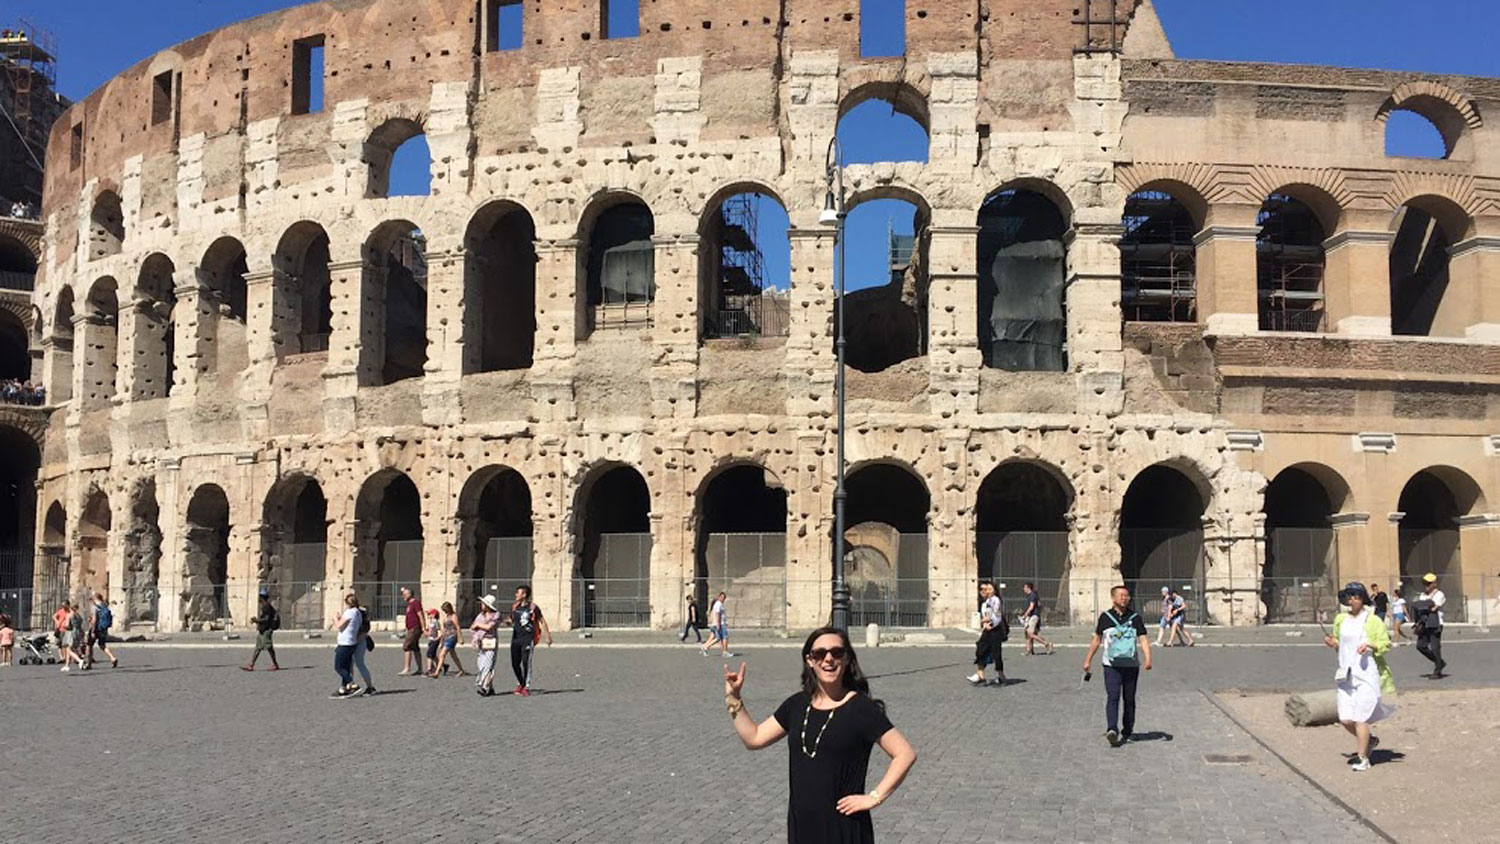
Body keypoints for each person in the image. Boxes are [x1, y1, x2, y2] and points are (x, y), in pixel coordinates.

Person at [723, 626, 917, 843]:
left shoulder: (861, 708)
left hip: (844, 827)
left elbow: (905, 753)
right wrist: (734, 698)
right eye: (820, 654)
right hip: (802, 826)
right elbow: (754, 738)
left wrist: (875, 797)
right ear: (809, 660)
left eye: (836, 653)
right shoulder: (796, 705)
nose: (828, 659)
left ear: (846, 659)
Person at [1324, 582, 1395, 772]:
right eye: (1349, 596)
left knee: (1360, 717)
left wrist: (1370, 645)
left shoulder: (1372, 620)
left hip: (1365, 673)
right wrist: (1332, 642)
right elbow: (1340, 642)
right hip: (1345, 674)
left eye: (1355, 596)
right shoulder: (1341, 619)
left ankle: (1363, 758)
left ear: (1362, 598)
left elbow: (1385, 644)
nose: (1351, 599)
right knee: (1346, 719)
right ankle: (1369, 741)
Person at [1083, 585, 1153, 747]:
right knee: (1112, 696)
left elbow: (1143, 638)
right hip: (1111, 665)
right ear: (1113, 598)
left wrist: (1148, 658)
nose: (1125, 598)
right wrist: (1088, 660)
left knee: (1129, 699)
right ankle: (1112, 729)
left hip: (1131, 665)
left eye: (1127, 596)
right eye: (1121, 595)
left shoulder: (1135, 618)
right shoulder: (1105, 617)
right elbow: (1097, 639)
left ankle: (1127, 729)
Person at [505, 584, 552, 695]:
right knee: (515, 663)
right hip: (516, 638)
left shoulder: (533, 608)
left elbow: (542, 620)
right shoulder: (515, 607)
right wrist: (507, 622)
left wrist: (547, 636)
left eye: (518, 593)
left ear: (524, 594)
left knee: (526, 662)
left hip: (528, 638)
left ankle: (526, 685)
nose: (516, 595)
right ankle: (520, 682)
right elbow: (511, 620)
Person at [967, 580, 1006, 686]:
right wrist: (985, 623)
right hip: (987, 629)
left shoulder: (996, 600)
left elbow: (997, 615)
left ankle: (1001, 676)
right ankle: (980, 675)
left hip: (994, 629)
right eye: (983, 589)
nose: (985, 591)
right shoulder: (986, 602)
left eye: (988, 589)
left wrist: (989, 623)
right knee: (981, 649)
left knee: (996, 653)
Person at [1412, 572, 1447, 678]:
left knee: (1435, 647)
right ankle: (1440, 662)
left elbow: (1433, 608)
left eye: (1428, 583)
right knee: (1420, 646)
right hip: (1424, 623)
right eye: (1425, 583)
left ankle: (1437, 671)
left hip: (1435, 623)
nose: (1426, 586)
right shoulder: (1422, 596)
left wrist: (1424, 606)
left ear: (1434, 584)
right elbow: (1419, 608)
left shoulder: (1439, 594)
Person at [331, 593, 362, 698]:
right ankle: (343, 688)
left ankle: (352, 684)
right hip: (352, 642)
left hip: (345, 643)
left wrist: (335, 618)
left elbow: (339, 626)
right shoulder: (357, 612)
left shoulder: (349, 612)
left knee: (338, 667)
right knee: (346, 666)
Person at [471, 594, 503, 696]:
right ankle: (491, 688)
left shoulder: (496, 615)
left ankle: (484, 687)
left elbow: (489, 626)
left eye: (484, 603)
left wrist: (478, 625)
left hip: (490, 642)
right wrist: (475, 637)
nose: (482, 605)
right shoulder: (480, 616)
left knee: (488, 665)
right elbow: (473, 627)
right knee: (481, 665)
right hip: (481, 642)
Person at [242, 589, 281, 671]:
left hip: (266, 630)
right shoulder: (265, 606)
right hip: (262, 630)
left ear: (261, 597)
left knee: (269, 648)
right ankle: (251, 665)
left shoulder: (266, 606)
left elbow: (267, 619)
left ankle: (275, 664)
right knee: (258, 648)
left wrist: (257, 621)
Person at [428, 601, 469, 677]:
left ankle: (437, 672)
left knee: (442, 654)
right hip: (446, 637)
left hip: (452, 636)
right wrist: (442, 640)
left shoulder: (453, 616)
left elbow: (457, 627)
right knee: (453, 655)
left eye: (445, 610)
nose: (445, 611)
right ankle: (461, 670)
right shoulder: (447, 616)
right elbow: (444, 629)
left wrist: (461, 638)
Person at [350, 601, 378, 696]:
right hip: (355, 641)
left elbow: (364, 631)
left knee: (359, 664)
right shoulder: (359, 613)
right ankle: (350, 685)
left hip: (359, 641)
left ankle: (370, 687)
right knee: (351, 664)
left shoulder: (358, 614)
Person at [84, 592, 118, 669]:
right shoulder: (104, 606)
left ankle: (89, 663)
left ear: (95, 599)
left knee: (89, 645)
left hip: (96, 628)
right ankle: (112, 658)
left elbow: (94, 620)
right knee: (102, 645)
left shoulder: (95, 607)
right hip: (103, 628)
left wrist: (92, 630)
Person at [1019, 582, 1054, 656]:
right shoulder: (1031, 596)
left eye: (1024, 587)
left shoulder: (1032, 595)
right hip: (1032, 616)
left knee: (1030, 634)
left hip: (1033, 616)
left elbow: (1031, 606)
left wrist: (1025, 615)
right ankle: (1029, 650)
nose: (1023, 589)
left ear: (1028, 588)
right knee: (1027, 633)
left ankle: (1047, 643)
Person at [398, 587, 425, 676]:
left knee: (407, 646)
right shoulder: (409, 604)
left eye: (405, 594)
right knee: (415, 648)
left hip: (415, 628)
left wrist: (423, 628)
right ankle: (420, 668)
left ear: (410, 594)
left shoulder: (415, 603)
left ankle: (407, 668)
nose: (403, 596)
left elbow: (420, 615)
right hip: (410, 628)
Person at [701, 591, 732, 658]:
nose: (723, 599)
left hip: (718, 623)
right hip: (719, 624)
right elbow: (717, 614)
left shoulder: (717, 604)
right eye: (722, 597)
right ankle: (706, 647)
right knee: (722, 638)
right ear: (719, 597)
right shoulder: (718, 604)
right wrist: (718, 624)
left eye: (724, 598)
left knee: (715, 637)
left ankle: (706, 647)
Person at [423, 607, 442, 674]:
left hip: (434, 639)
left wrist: (438, 637)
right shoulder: (431, 622)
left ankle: (429, 669)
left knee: (429, 655)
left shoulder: (435, 622)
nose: (428, 616)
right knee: (433, 655)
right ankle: (441, 665)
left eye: (429, 614)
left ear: (433, 615)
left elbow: (438, 631)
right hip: (431, 639)